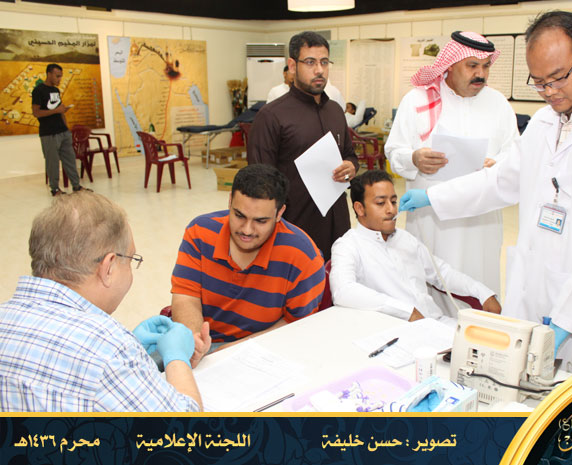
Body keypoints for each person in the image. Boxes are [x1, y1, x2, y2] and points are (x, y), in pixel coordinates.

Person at [400, 11, 572, 367]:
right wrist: (433, 197)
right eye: (540, 82)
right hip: (546, 286)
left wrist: (566, 320)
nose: (550, 92)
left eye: (558, 78)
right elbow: (503, 178)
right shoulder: (548, 119)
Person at [0, 192, 201, 412]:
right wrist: (176, 358)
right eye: (131, 259)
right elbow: (187, 427)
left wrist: (134, 354)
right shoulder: (109, 350)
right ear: (109, 267)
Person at [384, 31, 519, 307]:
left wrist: (497, 163)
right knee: (433, 283)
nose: (481, 74)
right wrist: (414, 158)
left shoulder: (498, 103)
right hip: (434, 221)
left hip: (480, 221)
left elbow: (515, 153)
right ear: (450, 65)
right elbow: (394, 151)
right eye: (472, 65)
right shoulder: (417, 101)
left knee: (480, 282)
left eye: (486, 66)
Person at [171, 164, 325, 368]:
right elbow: (185, 297)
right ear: (229, 201)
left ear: (280, 213)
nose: (247, 230)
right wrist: (195, 339)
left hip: (265, 350)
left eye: (260, 221)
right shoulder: (200, 232)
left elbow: (296, 326)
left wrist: (233, 351)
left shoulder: (303, 257)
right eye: (239, 215)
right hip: (202, 343)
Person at [330, 170, 500, 325]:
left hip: (436, 323)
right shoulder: (348, 245)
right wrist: (406, 312)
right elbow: (343, 291)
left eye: (393, 201)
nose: (391, 209)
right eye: (381, 203)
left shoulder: (405, 239)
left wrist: (483, 293)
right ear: (360, 208)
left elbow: (442, 273)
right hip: (396, 332)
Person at [248, 31, 359, 260]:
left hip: (338, 224)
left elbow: (350, 155)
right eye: (310, 62)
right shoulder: (271, 116)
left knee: (337, 279)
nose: (319, 70)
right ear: (292, 66)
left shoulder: (335, 111)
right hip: (294, 230)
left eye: (324, 62)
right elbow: (260, 182)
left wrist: (350, 166)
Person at [31, 63, 90, 197]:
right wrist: (56, 110)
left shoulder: (56, 91)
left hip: (63, 132)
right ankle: (55, 189)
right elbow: (36, 112)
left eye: (61, 76)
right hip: (49, 133)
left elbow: (60, 110)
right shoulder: (38, 91)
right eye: (57, 76)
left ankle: (76, 185)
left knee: (70, 160)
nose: (59, 79)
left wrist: (66, 127)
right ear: (49, 74)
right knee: (52, 162)